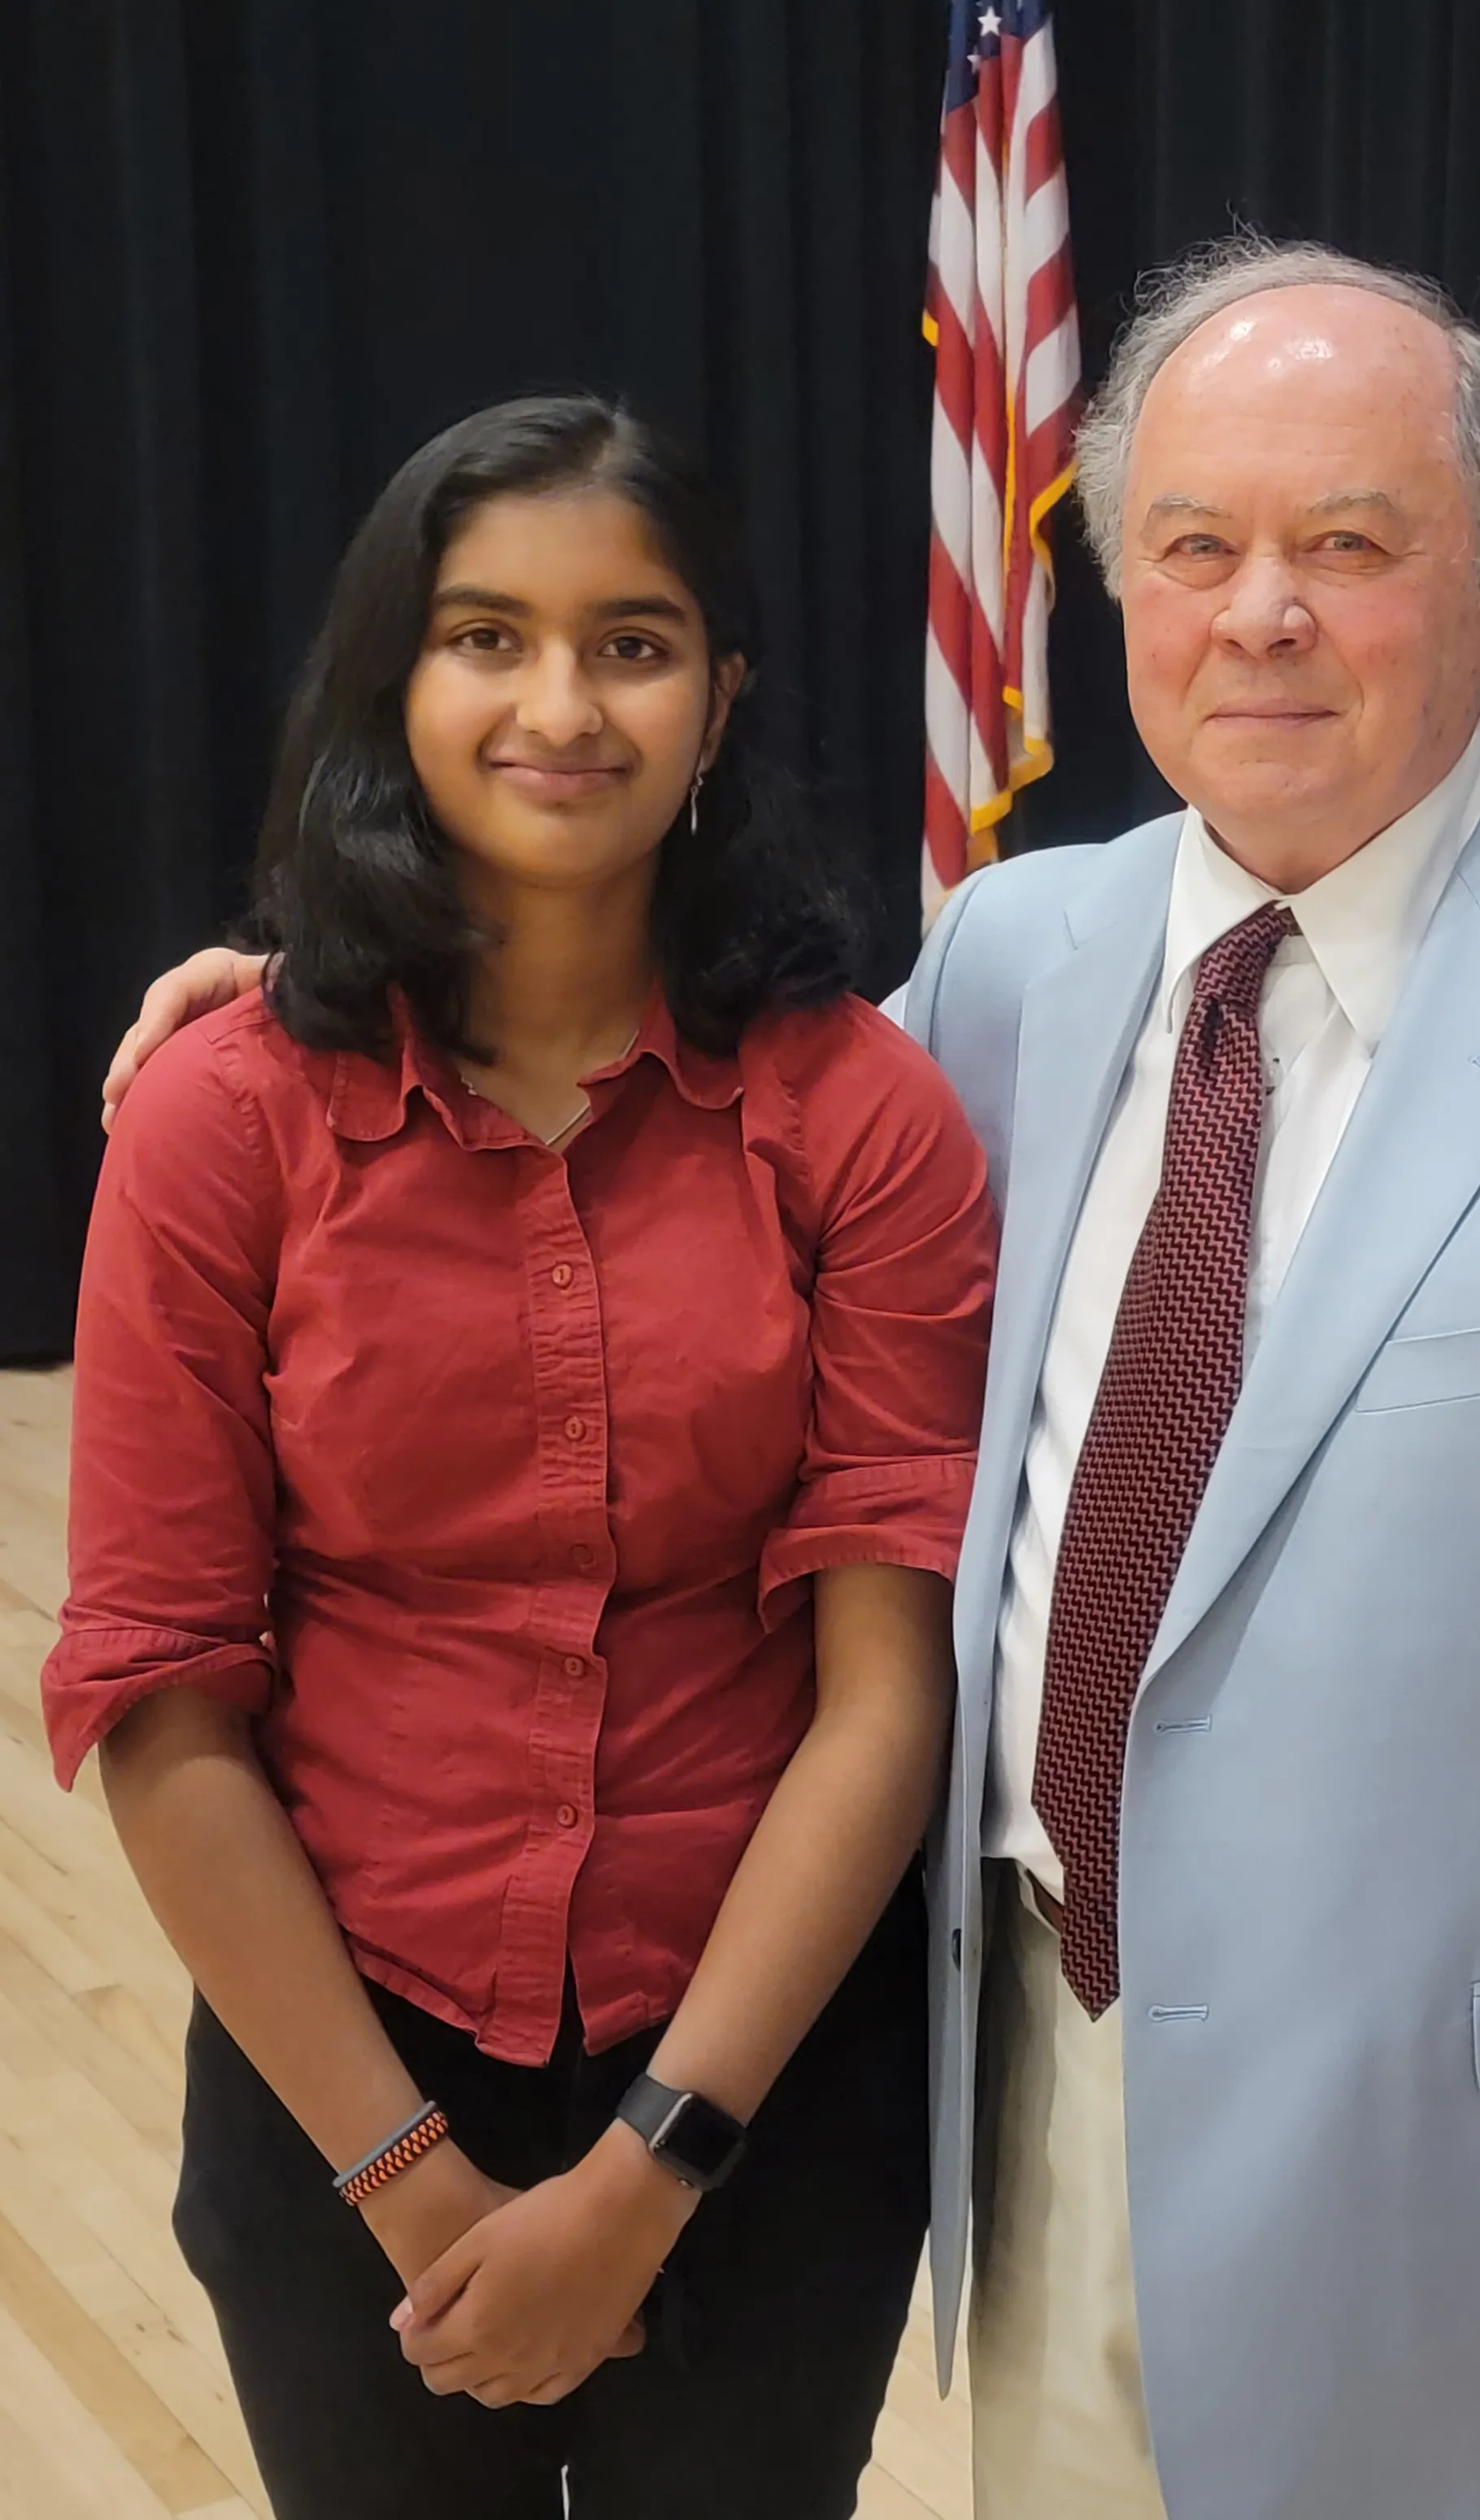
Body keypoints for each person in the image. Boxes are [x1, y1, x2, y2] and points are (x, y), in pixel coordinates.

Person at [112, 238, 1480, 2520]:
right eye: (1193, 547)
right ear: (1116, 589)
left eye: (1349, 546)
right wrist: (276, 997)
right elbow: (631, 1150)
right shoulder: (1018, 959)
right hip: (1023, 2087)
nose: (1259, 613)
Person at [56, 396, 995, 2520]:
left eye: (632, 643)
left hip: (754, 2089)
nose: (559, 704)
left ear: (719, 695)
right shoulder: (225, 1120)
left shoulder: (857, 1118)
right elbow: (162, 1686)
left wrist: (647, 2173)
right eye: (487, 637)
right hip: (341, 2068)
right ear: (400, 679)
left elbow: (878, 1698)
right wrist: (405, 2188)